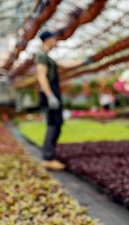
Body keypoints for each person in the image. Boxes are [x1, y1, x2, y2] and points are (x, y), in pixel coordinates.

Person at [35, 29, 90, 171]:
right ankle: (48, 158)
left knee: (57, 124)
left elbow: (65, 64)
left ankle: (50, 155)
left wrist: (84, 61)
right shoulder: (41, 56)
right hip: (50, 93)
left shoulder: (48, 57)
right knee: (53, 124)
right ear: (48, 40)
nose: (56, 41)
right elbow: (42, 76)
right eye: (54, 38)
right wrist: (49, 95)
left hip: (53, 92)